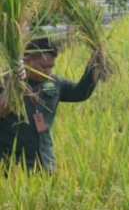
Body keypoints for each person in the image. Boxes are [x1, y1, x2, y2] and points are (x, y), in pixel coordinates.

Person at [0, 38, 98, 172]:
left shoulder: (54, 82)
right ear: (27, 60)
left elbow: (80, 93)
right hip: (12, 166)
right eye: (44, 66)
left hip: (46, 163)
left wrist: (94, 67)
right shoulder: (5, 83)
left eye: (51, 67)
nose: (48, 71)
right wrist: (14, 85)